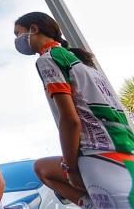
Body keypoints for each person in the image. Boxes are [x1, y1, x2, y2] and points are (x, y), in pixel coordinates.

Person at [13, 11, 134, 208]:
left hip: (98, 155)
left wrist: (70, 168)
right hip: (124, 148)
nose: (17, 40)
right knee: (42, 168)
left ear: (34, 29)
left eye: (18, 34)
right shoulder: (81, 62)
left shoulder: (47, 58)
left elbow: (70, 120)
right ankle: (89, 203)